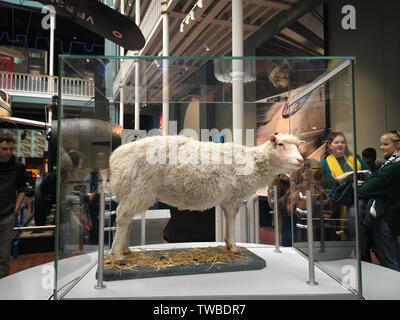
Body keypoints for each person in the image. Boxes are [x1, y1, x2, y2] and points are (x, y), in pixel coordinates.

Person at [358, 130, 400, 271]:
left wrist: (364, 185)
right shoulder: (391, 163)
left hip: (386, 217)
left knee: (390, 261)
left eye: (386, 144)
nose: (381, 147)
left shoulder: (394, 167)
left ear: (398, 145)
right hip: (391, 216)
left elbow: (364, 190)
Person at [320, 131, 370, 239]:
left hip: (356, 204)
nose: (340, 145)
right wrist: (347, 184)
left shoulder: (357, 161)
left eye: (342, 142)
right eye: (336, 142)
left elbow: (370, 176)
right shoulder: (323, 164)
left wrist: (362, 183)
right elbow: (322, 186)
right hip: (335, 207)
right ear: (329, 145)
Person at [0, 132, 26, 279]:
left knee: (4, 256)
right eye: (4, 149)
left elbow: (22, 189)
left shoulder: (18, 167)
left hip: (6, 217)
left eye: (11, 149)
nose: (8, 152)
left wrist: (16, 207)